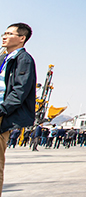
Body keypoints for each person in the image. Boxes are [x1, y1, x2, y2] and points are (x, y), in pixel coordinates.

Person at [0, 23, 37, 194]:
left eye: (9, 34)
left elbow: (20, 91)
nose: (4, 36)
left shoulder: (24, 60)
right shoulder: (3, 58)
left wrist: (3, 110)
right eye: (4, 33)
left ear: (22, 38)